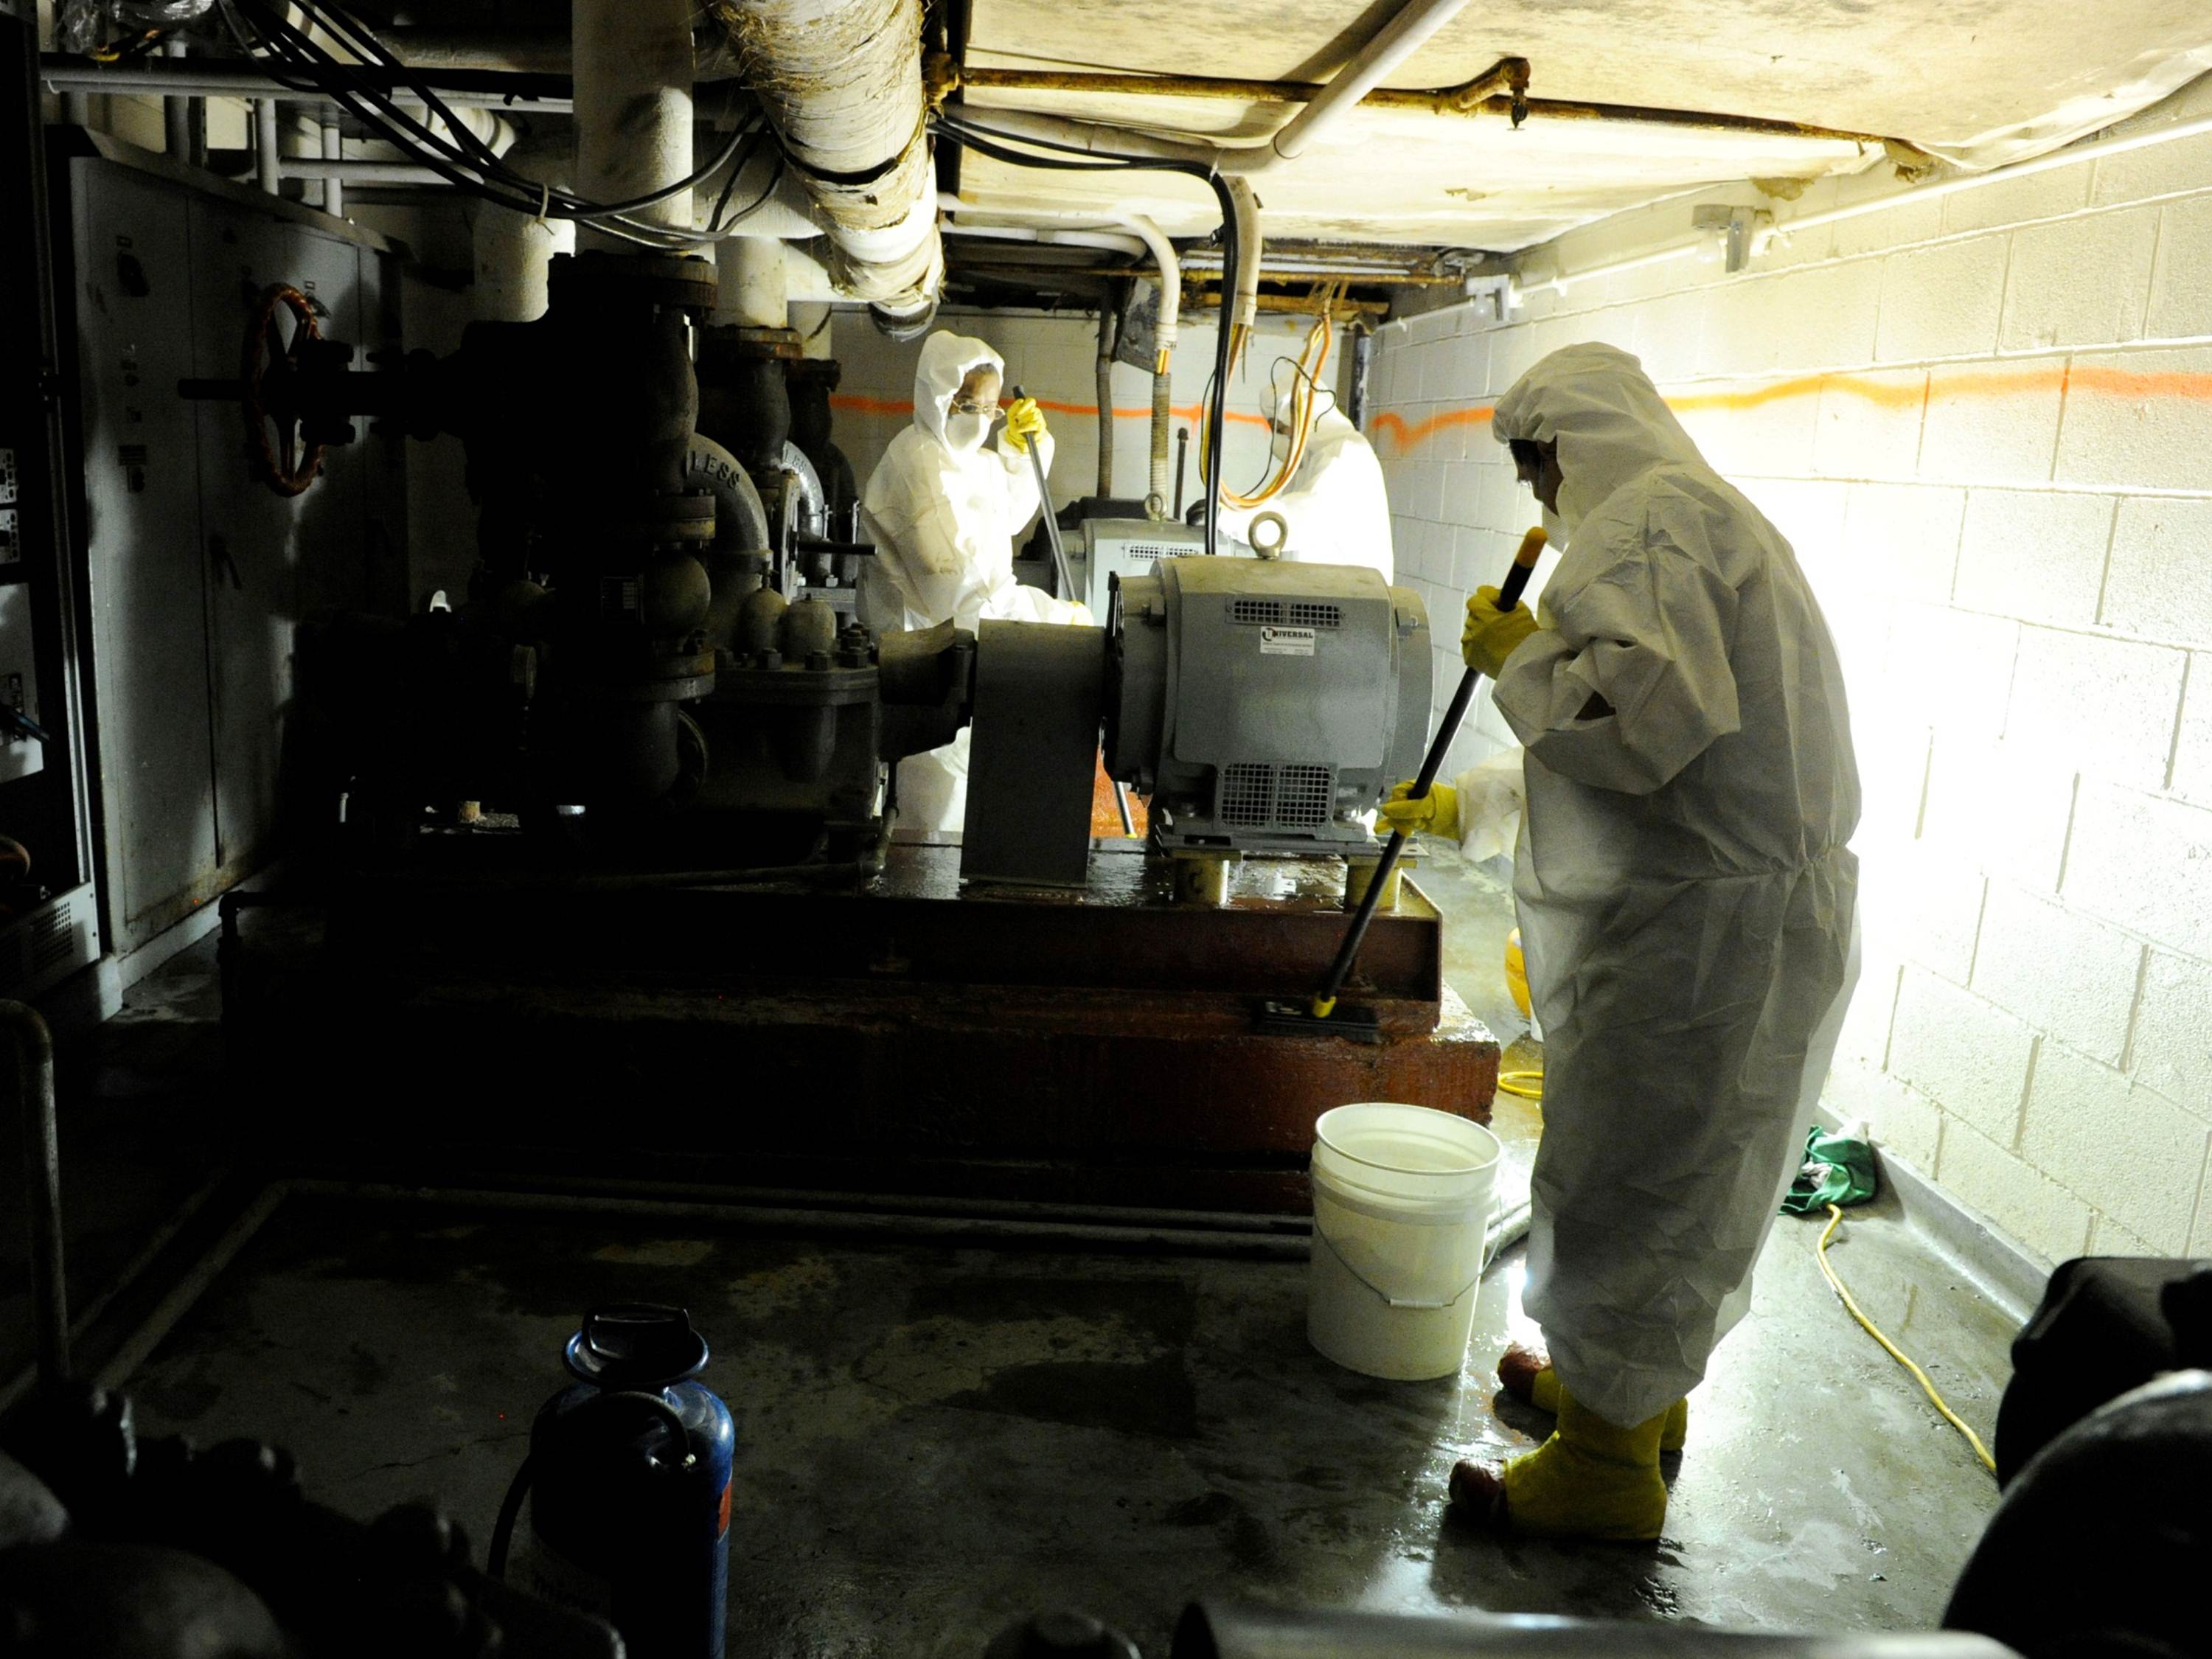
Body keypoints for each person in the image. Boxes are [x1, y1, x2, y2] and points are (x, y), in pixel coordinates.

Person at [1380, 342, 1860, 1543]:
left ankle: (1604, 1471)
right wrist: (1486, 785)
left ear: (1573, 447)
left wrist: (1521, 661)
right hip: (1730, 910)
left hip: (1699, 932)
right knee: (1690, 1177)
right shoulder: (1700, 516)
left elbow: (1636, 729)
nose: (1542, 500)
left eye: (1542, 470)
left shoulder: (1647, 526)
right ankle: (1635, 1404)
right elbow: (1661, 760)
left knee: (1635, 1176)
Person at [859, 332, 1091, 832]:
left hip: (964, 665)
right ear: (938, 396)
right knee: (927, 826)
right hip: (926, 672)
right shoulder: (916, 466)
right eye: (967, 405)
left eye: (990, 411)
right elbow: (962, 594)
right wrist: (1052, 620)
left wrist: (1022, 452)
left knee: (968, 820)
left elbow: (1007, 514)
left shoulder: (972, 462)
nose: (980, 421)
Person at [1213, 383, 1394, 580]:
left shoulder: (1347, 454)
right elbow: (1285, 510)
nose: (1279, 438)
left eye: (1282, 429)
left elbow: (1295, 522)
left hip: (1348, 598)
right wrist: (1233, 507)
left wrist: (1227, 516)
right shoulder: (1311, 460)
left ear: (1304, 422)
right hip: (1320, 596)